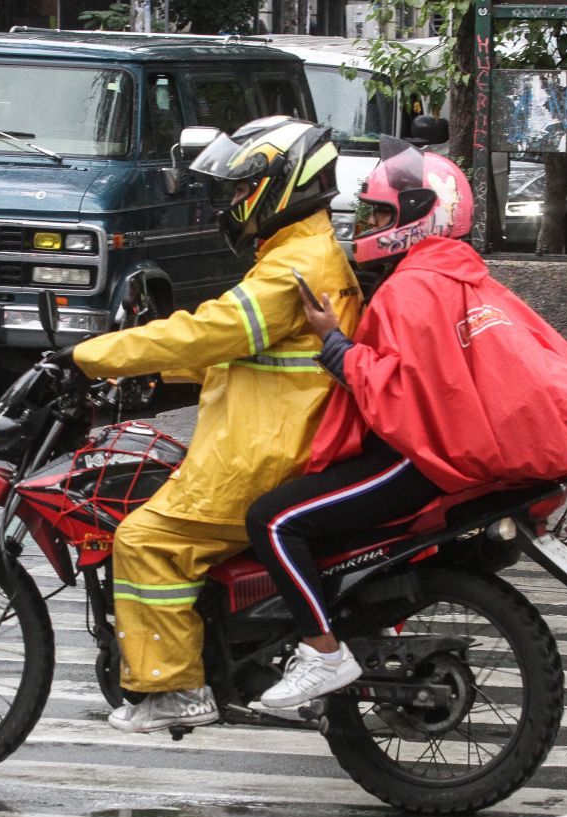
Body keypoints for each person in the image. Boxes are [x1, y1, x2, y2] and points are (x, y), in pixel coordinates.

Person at [245, 138, 567, 708]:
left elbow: (400, 392)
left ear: (416, 214)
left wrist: (333, 344)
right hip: (468, 458)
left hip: (423, 460)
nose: (371, 224)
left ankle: (322, 652)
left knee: (275, 521)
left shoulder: (409, 288)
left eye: (381, 213)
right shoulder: (473, 279)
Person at [71, 116, 362, 733]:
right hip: (266, 436)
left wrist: (93, 352)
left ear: (282, 184)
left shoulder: (296, 266)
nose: (233, 202)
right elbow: (247, 356)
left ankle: (177, 689)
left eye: (241, 189)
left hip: (262, 454)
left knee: (146, 540)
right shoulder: (296, 252)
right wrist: (164, 375)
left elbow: (213, 330)